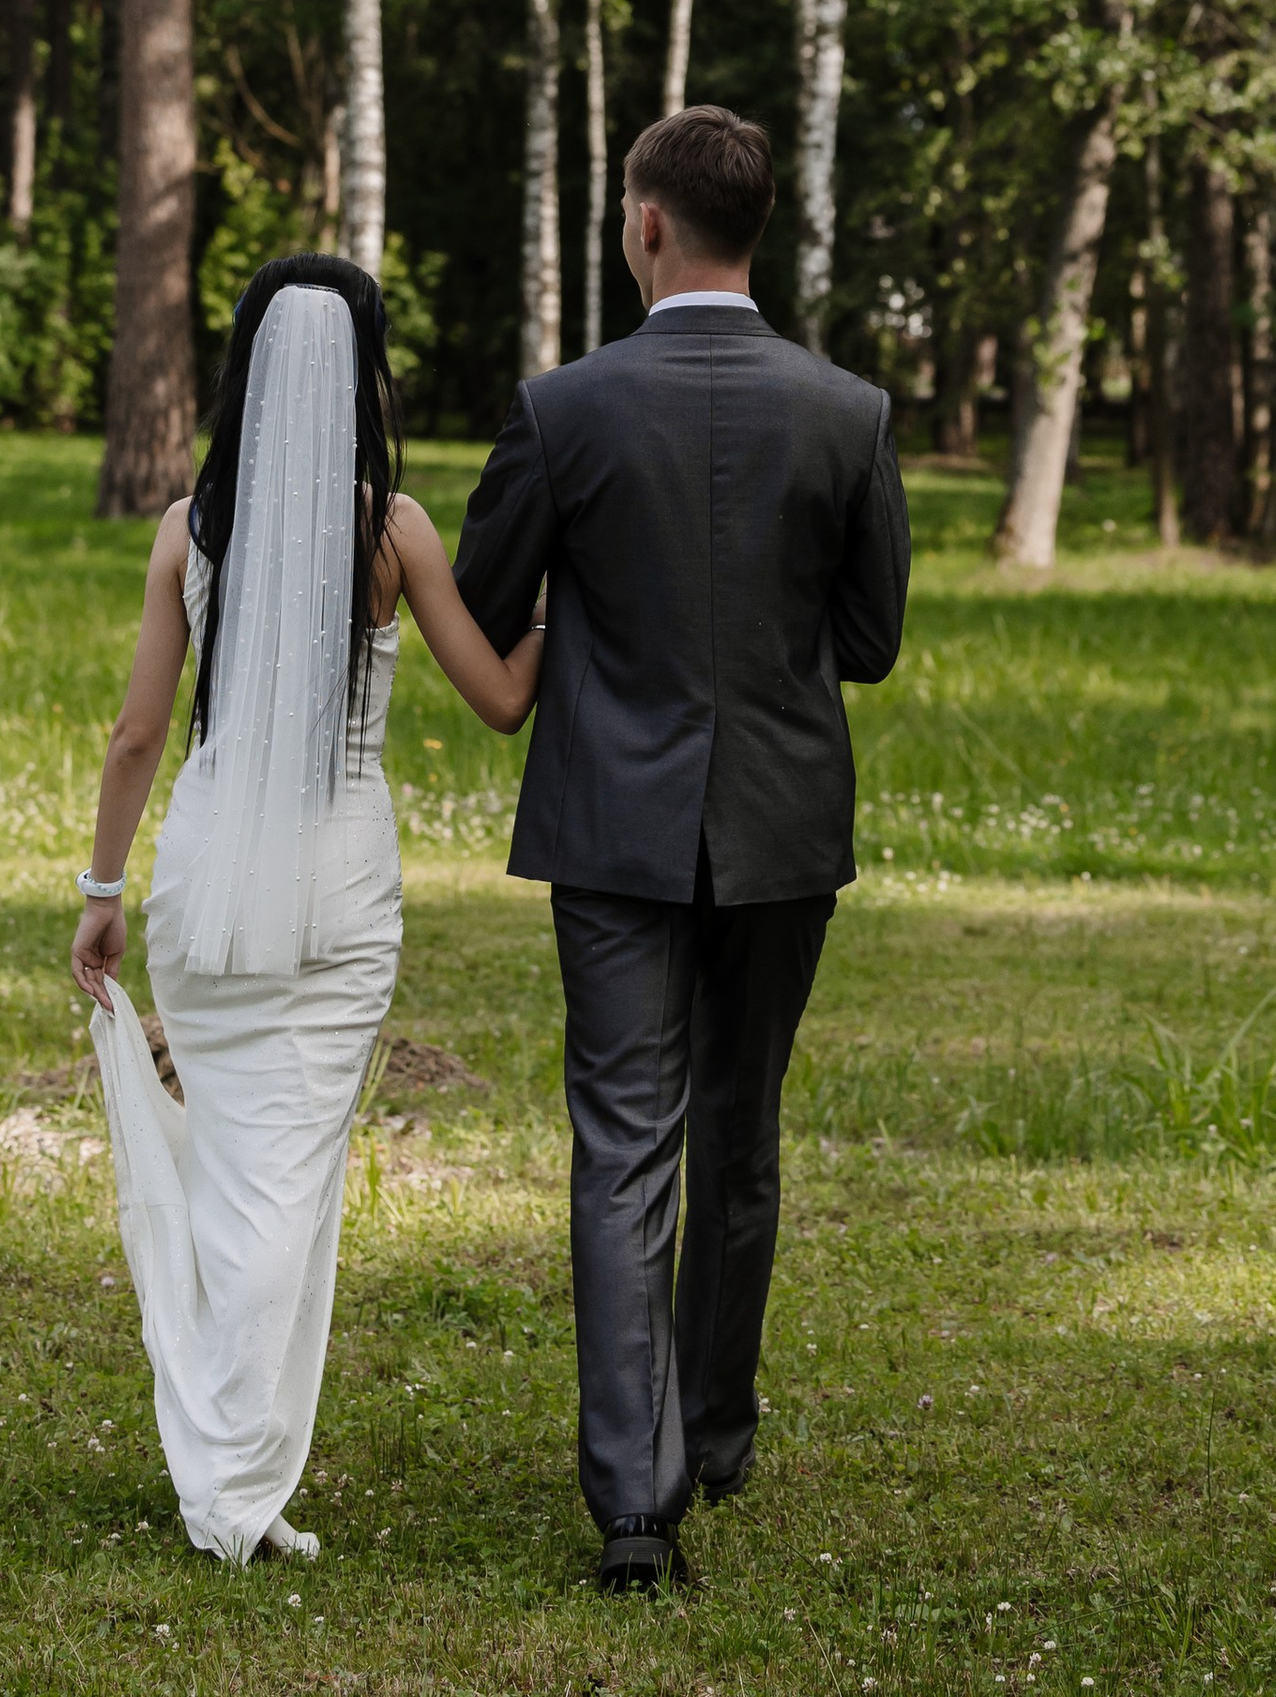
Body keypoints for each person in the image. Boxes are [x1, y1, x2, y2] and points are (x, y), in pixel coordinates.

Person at [453, 104, 912, 1593]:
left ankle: (635, 1509)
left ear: (648, 224)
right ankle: (716, 1429)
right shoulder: (849, 411)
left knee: (623, 1144)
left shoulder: (562, 406)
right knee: (745, 1130)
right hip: (784, 821)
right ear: (752, 228)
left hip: (613, 825)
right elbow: (871, 639)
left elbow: (486, 591)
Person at [69, 255, 544, 1567]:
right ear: (366, 375)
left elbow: (137, 734)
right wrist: (573, 608)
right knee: (289, 1183)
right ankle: (233, 1479)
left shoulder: (189, 529)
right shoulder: (392, 530)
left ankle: (230, 1464)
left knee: (234, 1168)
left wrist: (102, 892)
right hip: (341, 891)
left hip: (208, 881)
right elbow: (502, 697)